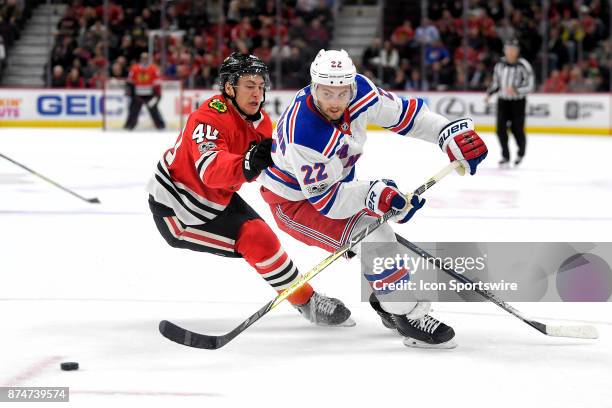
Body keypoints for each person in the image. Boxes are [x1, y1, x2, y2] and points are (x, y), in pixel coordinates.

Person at [259, 49, 488, 349]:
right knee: (377, 236)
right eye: (326, 93)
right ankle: (406, 314)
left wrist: (445, 132)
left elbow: (407, 116)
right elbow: (327, 202)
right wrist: (374, 196)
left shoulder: (361, 92)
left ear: (352, 87)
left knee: (379, 234)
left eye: (342, 93)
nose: (335, 102)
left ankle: (387, 301)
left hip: (335, 185)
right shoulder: (303, 132)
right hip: (295, 203)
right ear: (314, 87)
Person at [146, 52, 354, 328]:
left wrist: (334, 226)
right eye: (249, 86)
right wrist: (246, 163)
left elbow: (279, 178)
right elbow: (210, 170)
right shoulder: (207, 118)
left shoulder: (262, 124)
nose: (257, 93)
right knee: (257, 238)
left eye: (260, 86)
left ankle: (307, 298)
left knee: (261, 235)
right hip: (179, 211)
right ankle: (307, 301)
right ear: (229, 88)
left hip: (217, 200)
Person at [485, 39, 534, 167]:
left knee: (517, 129)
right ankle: (505, 156)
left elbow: (530, 85)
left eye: (513, 49)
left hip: (518, 102)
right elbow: (496, 82)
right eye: (508, 49)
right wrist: (489, 93)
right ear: (504, 50)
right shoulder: (500, 64)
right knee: (500, 129)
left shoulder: (523, 65)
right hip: (503, 101)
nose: (511, 52)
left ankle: (520, 153)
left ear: (517, 51)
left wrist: (516, 90)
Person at [124, 52, 166, 130]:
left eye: (146, 59)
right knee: (133, 110)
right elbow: (130, 82)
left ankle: (160, 126)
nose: (144, 60)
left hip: (150, 94)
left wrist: (157, 94)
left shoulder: (154, 69)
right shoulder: (134, 69)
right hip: (137, 94)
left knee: (153, 110)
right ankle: (129, 126)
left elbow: (157, 83)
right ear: (140, 59)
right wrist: (129, 92)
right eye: (143, 58)